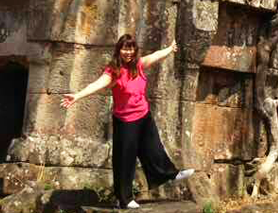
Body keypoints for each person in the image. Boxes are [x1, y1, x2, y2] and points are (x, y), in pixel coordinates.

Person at [62, 34, 194, 209]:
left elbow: (154, 56)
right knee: (125, 159)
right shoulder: (113, 71)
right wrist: (77, 96)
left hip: (144, 116)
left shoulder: (137, 65)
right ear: (119, 50)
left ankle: (170, 174)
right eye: (125, 48)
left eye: (131, 48)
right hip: (125, 121)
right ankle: (124, 198)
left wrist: (170, 50)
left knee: (154, 148)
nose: (128, 52)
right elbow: (97, 84)